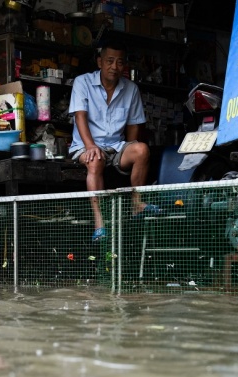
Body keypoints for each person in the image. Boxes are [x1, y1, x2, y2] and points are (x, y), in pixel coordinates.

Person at [68, 37, 159, 242]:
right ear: (100, 62)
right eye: (109, 61)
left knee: (142, 150)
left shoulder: (131, 89)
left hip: (116, 147)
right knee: (95, 159)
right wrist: (91, 146)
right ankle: (99, 223)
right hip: (85, 146)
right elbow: (80, 117)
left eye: (119, 62)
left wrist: (130, 149)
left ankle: (137, 204)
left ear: (124, 65)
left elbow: (134, 126)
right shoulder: (83, 82)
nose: (114, 67)